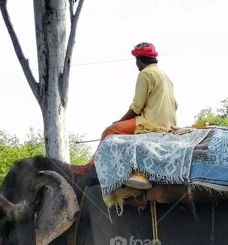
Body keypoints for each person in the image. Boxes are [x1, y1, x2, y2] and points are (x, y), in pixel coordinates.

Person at [74, 42, 178, 174]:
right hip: (169, 124)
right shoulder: (165, 76)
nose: (136, 64)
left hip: (152, 123)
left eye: (136, 61)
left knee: (109, 131)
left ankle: (89, 167)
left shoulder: (145, 73)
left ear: (139, 60)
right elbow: (175, 105)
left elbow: (136, 107)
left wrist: (119, 122)